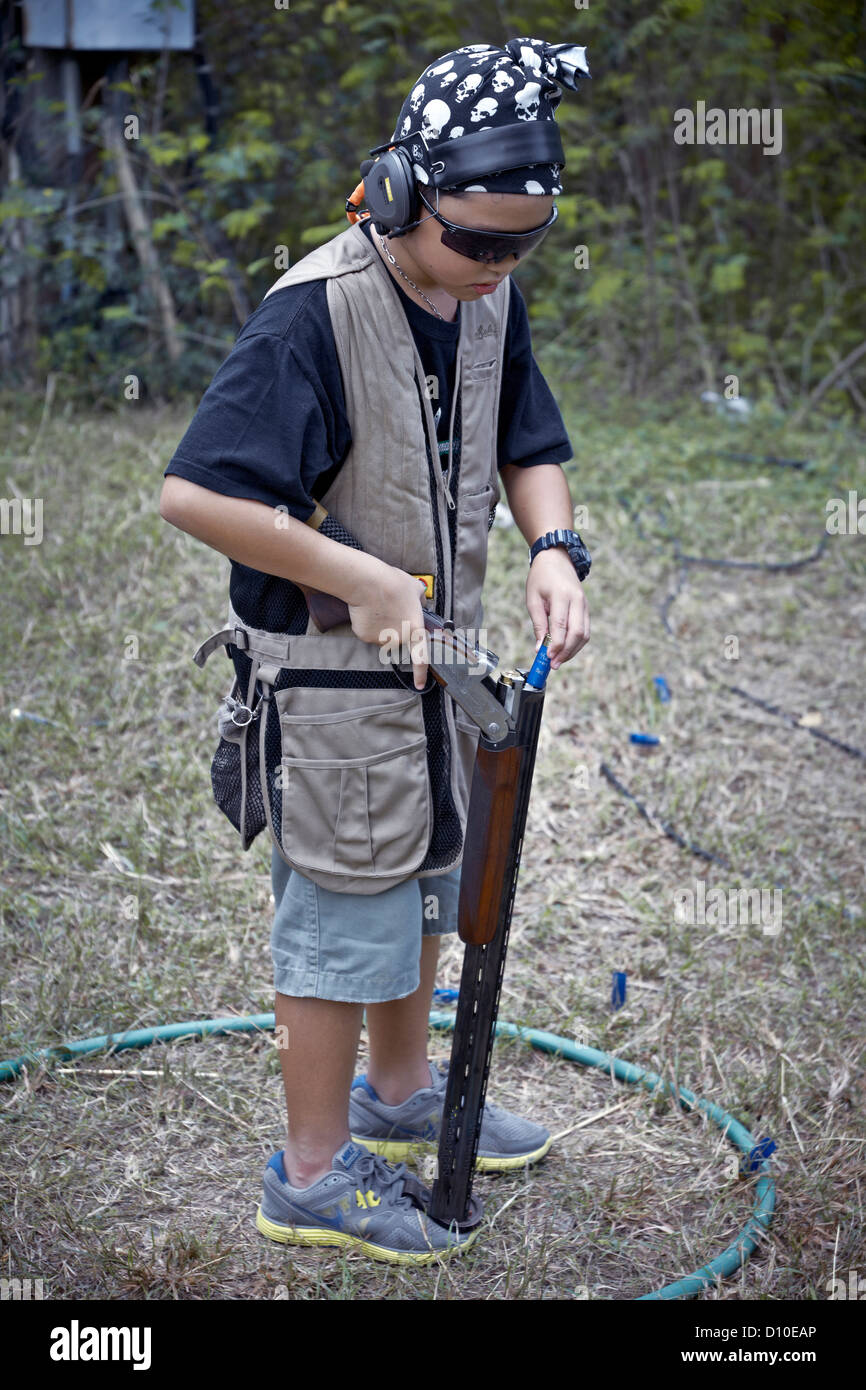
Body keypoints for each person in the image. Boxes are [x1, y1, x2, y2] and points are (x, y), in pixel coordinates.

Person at [159, 36, 591, 1265]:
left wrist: (554, 547)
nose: (497, 270)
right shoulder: (314, 314)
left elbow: (528, 439)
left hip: (435, 663)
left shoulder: (481, 291)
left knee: (423, 889)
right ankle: (305, 1173)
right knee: (343, 915)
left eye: (523, 246)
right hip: (329, 677)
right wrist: (355, 576)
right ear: (400, 192)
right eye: (478, 243)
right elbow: (194, 494)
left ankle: (396, 1098)